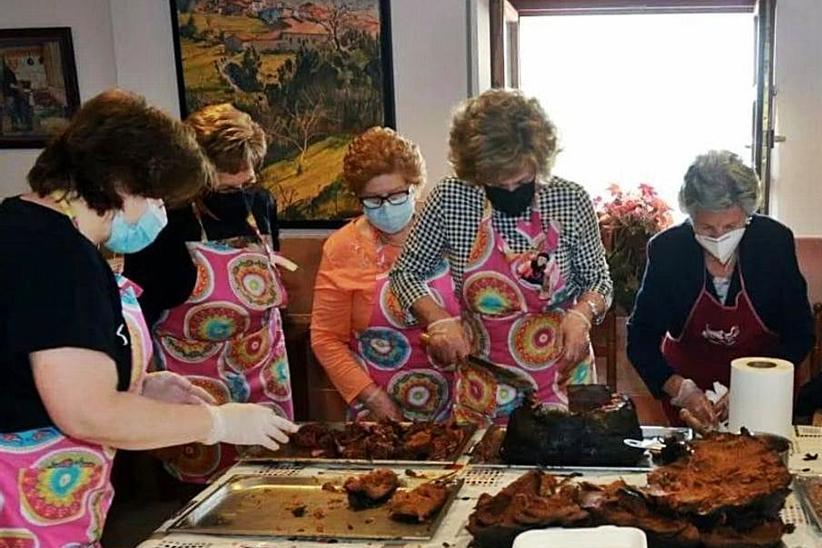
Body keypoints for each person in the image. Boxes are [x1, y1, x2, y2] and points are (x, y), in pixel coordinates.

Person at [0, 89, 296, 546]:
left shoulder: (30, 225)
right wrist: (217, 423)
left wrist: (137, 386)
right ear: (120, 183)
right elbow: (85, 411)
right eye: (157, 198)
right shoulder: (56, 256)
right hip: (24, 502)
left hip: (53, 489)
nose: (160, 212)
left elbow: (44, 372)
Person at [390, 89, 612, 425]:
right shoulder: (450, 199)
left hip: (564, 378)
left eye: (522, 181)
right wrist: (437, 319)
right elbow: (405, 273)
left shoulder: (570, 199)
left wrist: (582, 315)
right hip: (484, 385)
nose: (511, 192)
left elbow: (599, 279)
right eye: (497, 184)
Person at [123, 103, 292, 483]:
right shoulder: (165, 221)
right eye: (226, 182)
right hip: (195, 379)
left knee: (274, 478)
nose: (238, 190)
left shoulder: (260, 203)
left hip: (265, 366)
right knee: (207, 487)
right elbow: (142, 315)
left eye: (245, 181)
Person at [627, 150, 813, 427]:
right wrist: (679, 388)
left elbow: (801, 333)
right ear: (690, 216)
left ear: (747, 215)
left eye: (730, 226)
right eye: (706, 228)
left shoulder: (774, 243)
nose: (718, 237)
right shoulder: (668, 250)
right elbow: (640, 338)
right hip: (690, 392)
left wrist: (755, 385)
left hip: (765, 391)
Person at [311, 127, 460, 421]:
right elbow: (326, 339)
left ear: (415, 185)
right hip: (378, 406)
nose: (386, 207)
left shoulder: (451, 234)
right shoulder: (342, 248)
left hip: (459, 401)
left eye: (395, 195)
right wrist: (375, 400)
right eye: (373, 200)